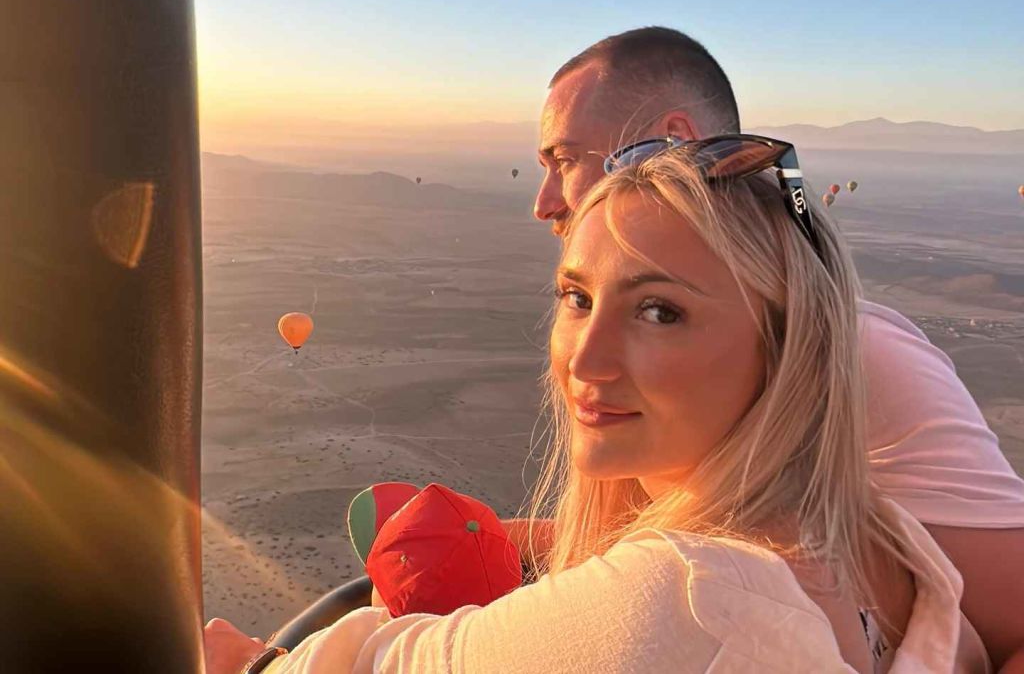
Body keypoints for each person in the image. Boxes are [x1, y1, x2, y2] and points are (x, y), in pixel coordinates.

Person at [206, 134, 994, 672]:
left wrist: (252, 661)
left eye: (660, 311)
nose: (584, 359)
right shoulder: (885, 545)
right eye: (577, 297)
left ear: (790, 349)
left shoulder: (693, 599)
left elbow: (396, 664)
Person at [514, 26, 1024, 670]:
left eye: (564, 159)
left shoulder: (852, 348)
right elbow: (704, 530)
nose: (544, 203)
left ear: (674, 142)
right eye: (577, 299)